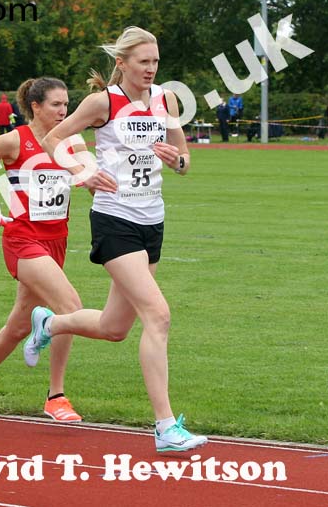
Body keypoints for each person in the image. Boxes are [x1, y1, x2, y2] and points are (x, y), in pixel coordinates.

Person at [29, 26, 208, 453]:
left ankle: (49, 323)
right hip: (115, 220)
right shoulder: (103, 102)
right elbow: (52, 139)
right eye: (143, 62)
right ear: (122, 63)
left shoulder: (166, 99)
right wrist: (82, 173)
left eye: (156, 61)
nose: (151, 69)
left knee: (114, 327)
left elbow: (184, 159)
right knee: (158, 315)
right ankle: (165, 427)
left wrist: (178, 160)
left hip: (153, 220)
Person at [0, 77, 83, 425]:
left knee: (17, 326)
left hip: (57, 240)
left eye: (67, 104)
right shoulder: (14, 141)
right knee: (70, 308)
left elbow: (91, 178)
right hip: (23, 239)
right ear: (36, 106)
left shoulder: (69, 141)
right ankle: (56, 396)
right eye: (57, 105)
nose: (64, 111)